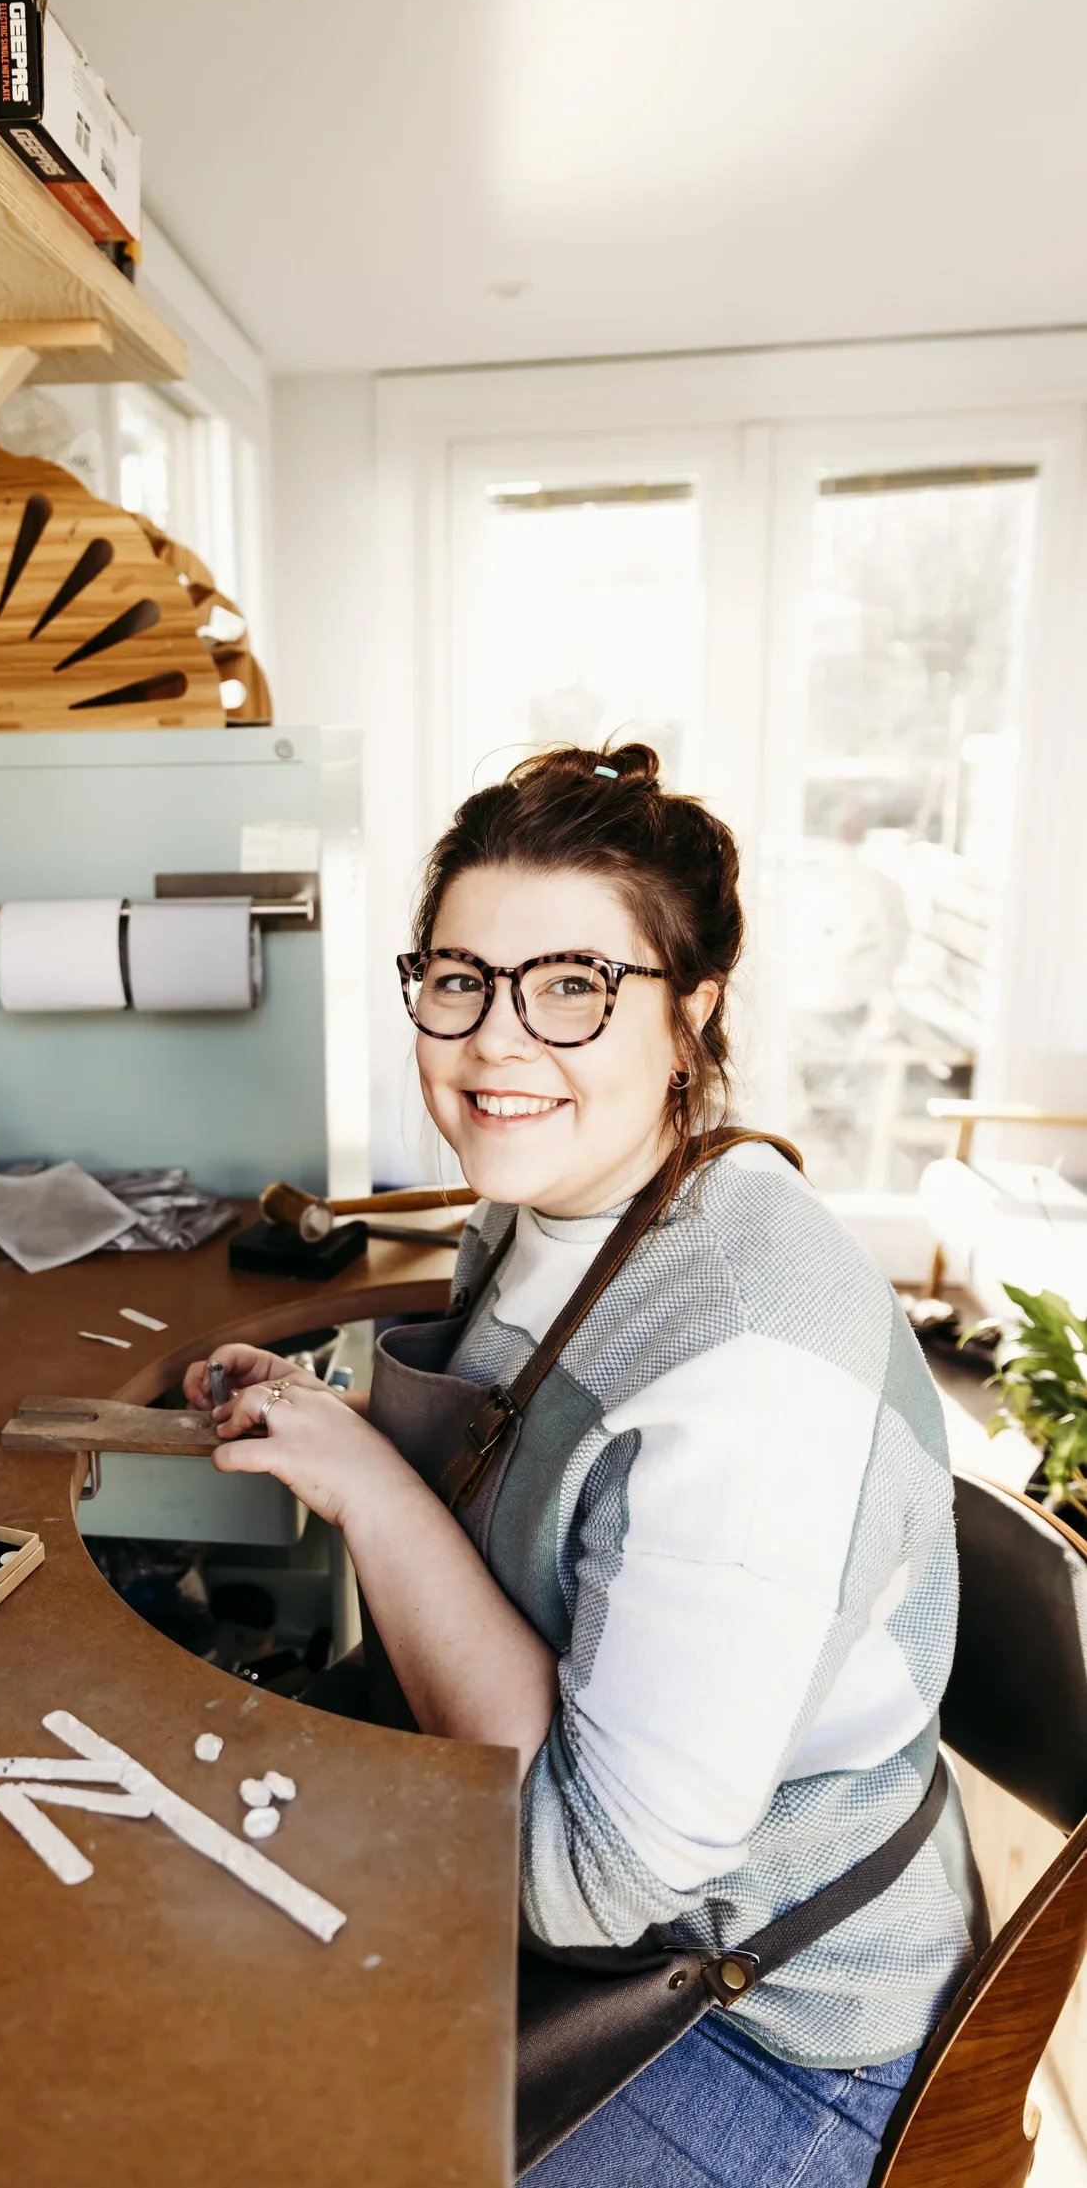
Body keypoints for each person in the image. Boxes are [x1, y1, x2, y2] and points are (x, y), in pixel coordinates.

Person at [184, 745, 980, 2186]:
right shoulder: (560, 1207)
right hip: (570, 1916)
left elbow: (582, 1885)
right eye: (459, 980)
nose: (496, 1043)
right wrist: (334, 1422)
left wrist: (367, 1483)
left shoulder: (750, 1360)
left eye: (573, 988)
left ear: (693, 1015)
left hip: (751, 2022)